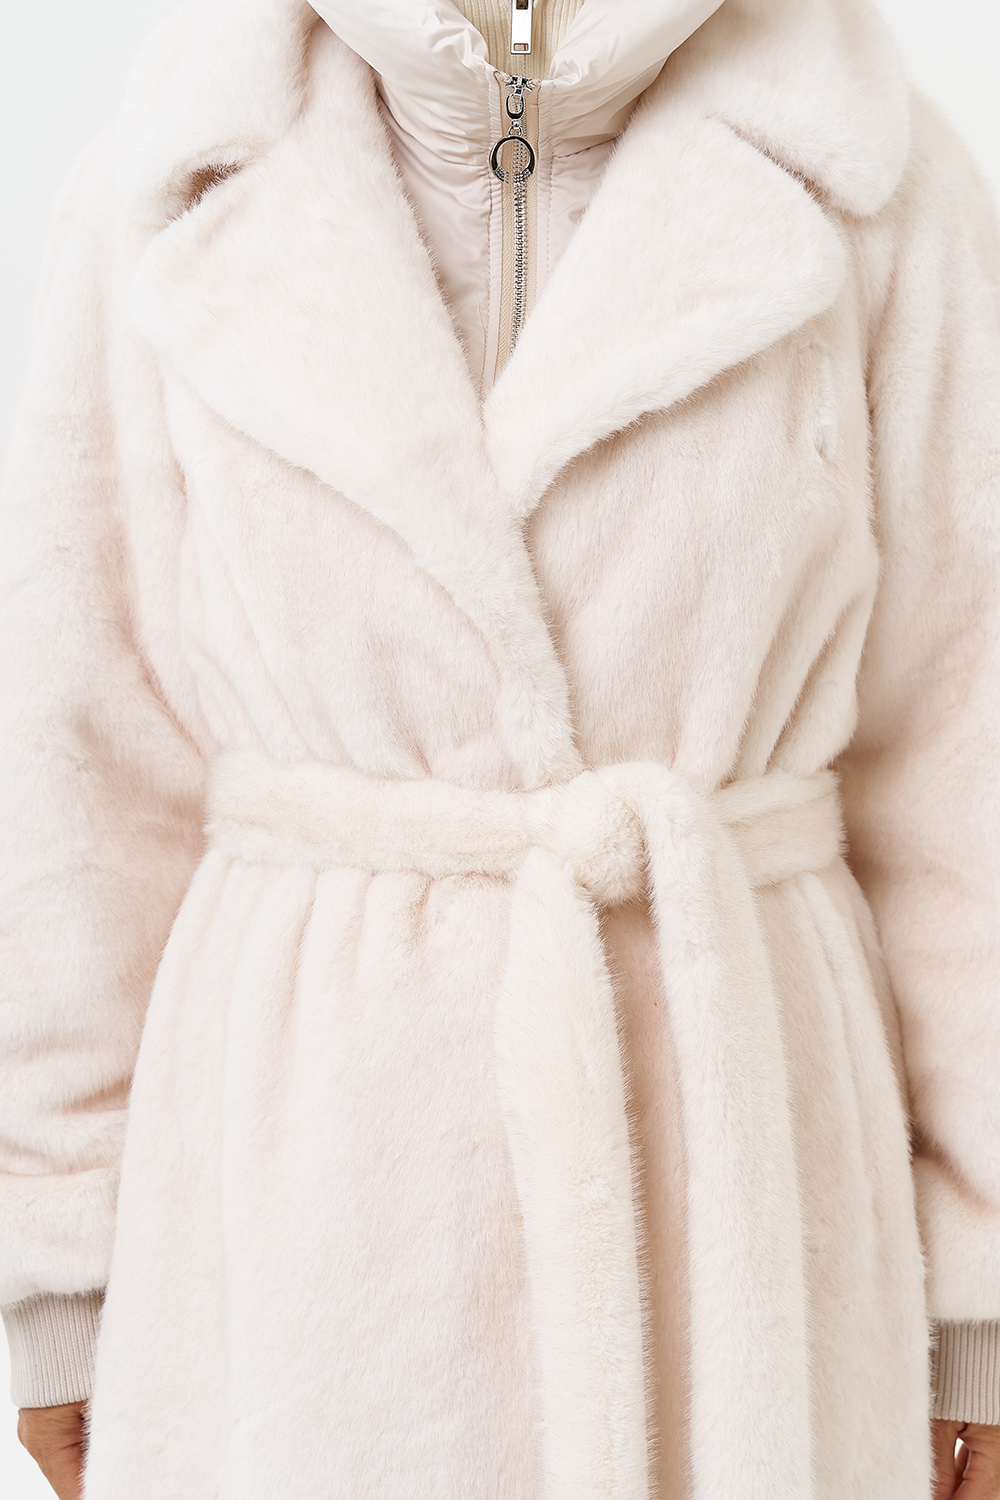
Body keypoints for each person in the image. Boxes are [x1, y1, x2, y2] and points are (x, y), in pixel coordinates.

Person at [2, 0, 1000, 1496]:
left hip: (747, 1198)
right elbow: (78, 759)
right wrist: (58, 1271)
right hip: (292, 1211)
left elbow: (966, 755)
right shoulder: (167, 185)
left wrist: (980, 1298)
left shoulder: (876, 182)